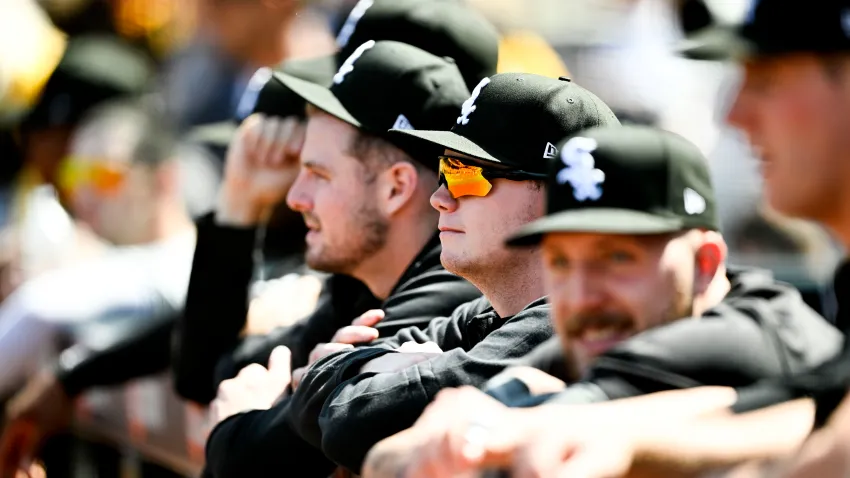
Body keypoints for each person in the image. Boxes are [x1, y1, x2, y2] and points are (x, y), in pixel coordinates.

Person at [204, 65, 620, 477]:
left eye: (466, 175)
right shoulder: (480, 315)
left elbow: (352, 421)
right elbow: (319, 395)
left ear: (557, 199)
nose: (439, 197)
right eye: (444, 170)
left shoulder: (566, 323)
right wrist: (355, 372)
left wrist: (340, 376)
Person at [361, 124, 843, 477]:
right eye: (563, 262)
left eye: (616, 257)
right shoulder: (611, 326)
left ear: (704, 264)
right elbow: (387, 455)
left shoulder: (755, 336)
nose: (583, 296)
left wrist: (511, 412)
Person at [173, 0, 501, 405]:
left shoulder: (464, 267)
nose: (295, 196)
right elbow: (205, 377)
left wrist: (258, 415)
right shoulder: (358, 273)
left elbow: (307, 430)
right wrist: (238, 206)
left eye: (319, 173)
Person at [0, 100, 198, 476]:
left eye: (105, 177)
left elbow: (38, 308)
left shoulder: (186, 263)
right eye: (76, 174)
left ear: (163, 180)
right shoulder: (101, 264)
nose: (84, 194)